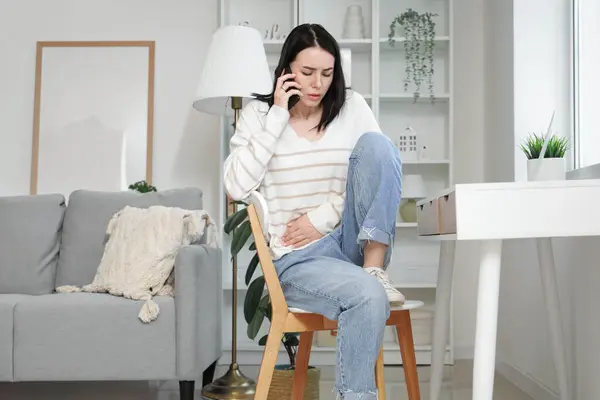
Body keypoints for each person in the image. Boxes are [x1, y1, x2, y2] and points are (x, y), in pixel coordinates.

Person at [223, 23, 404, 400]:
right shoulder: (258, 116)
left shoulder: (351, 107)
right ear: (286, 70)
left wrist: (320, 218)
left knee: (379, 146)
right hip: (299, 258)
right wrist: (277, 115)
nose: (317, 83)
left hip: (352, 240)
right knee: (369, 296)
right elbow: (236, 186)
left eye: (327, 73)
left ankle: (374, 267)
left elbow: (375, 173)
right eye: (307, 73)